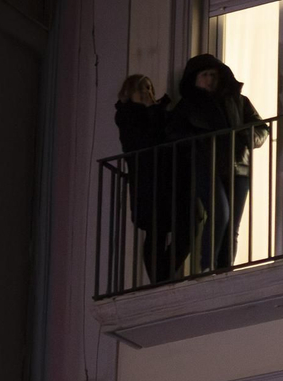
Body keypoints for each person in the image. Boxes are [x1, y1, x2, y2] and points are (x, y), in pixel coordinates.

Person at [167, 54, 267, 271]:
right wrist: (199, 141)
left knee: (232, 227)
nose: (210, 79)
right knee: (220, 213)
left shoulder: (238, 101)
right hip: (205, 165)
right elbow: (173, 134)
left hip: (238, 166)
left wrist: (244, 136)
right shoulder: (187, 106)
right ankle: (207, 267)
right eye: (205, 75)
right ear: (194, 78)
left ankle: (224, 271)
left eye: (213, 74)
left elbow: (261, 128)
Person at [112, 74, 183, 282]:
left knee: (165, 229)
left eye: (150, 88)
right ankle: (158, 280)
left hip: (161, 177)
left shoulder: (156, 112)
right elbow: (146, 141)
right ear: (130, 91)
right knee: (155, 230)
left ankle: (160, 278)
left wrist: (155, 110)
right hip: (145, 179)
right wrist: (152, 110)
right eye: (142, 88)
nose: (148, 93)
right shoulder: (127, 115)